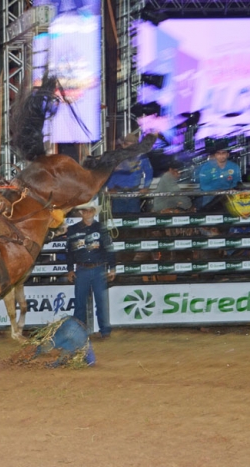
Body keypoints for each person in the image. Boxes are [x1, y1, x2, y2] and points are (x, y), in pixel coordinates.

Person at [65, 200, 115, 338]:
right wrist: (70, 269)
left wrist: (112, 267)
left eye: (90, 210)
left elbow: (109, 248)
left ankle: (105, 331)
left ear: (93, 212)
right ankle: (79, 332)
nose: (88, 213)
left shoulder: (101, 228)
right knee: (80, 302)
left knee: (101, 301)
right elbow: (69, 252)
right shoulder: (73, 229)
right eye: (85, 210)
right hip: (82, 269)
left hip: (98, 268)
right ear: (81, 213)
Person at [106, 132, 154, 213]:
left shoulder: (142, 156)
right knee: (119, 219)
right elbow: (107, 172)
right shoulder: (117, 156)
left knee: (133, 218)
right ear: (124, 145)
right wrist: (111, 187)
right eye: (129, 144)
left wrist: (146, 187)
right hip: (118, 192)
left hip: (134, 192)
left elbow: (149, 171)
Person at [195, 139, 242, 210]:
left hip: (229, 199)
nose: (221, 155)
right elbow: (204, 185)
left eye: (223, 153)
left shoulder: (234, 167)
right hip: (210, 200)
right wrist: (218, 191)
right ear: (215, 155)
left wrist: (232, 189)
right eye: (218, 153)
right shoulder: (207, 167)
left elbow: (237, 182)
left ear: (227, 154)